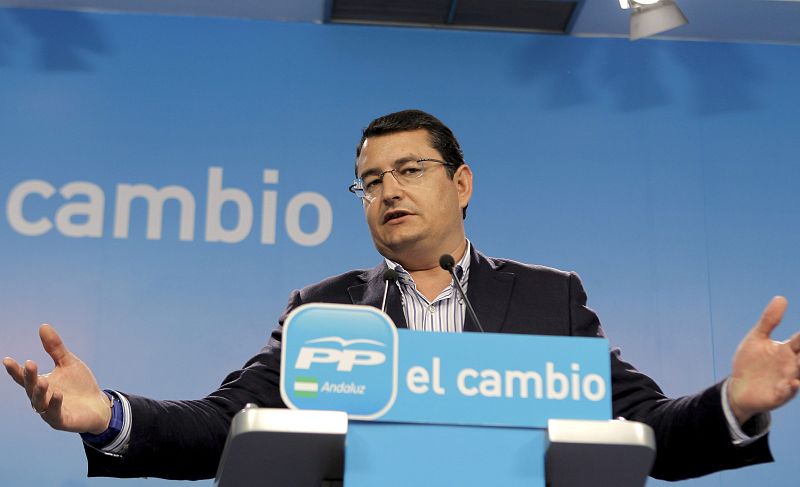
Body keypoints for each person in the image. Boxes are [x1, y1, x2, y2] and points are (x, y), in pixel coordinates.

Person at [4, 110, 800, 482]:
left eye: (409, 170)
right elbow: (224, 425)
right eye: (369, 180)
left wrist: (733, 402)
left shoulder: (550, 299)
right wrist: (108, 413)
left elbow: (645, 429)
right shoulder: (327, 310)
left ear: (461, 183)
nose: (387, 190)